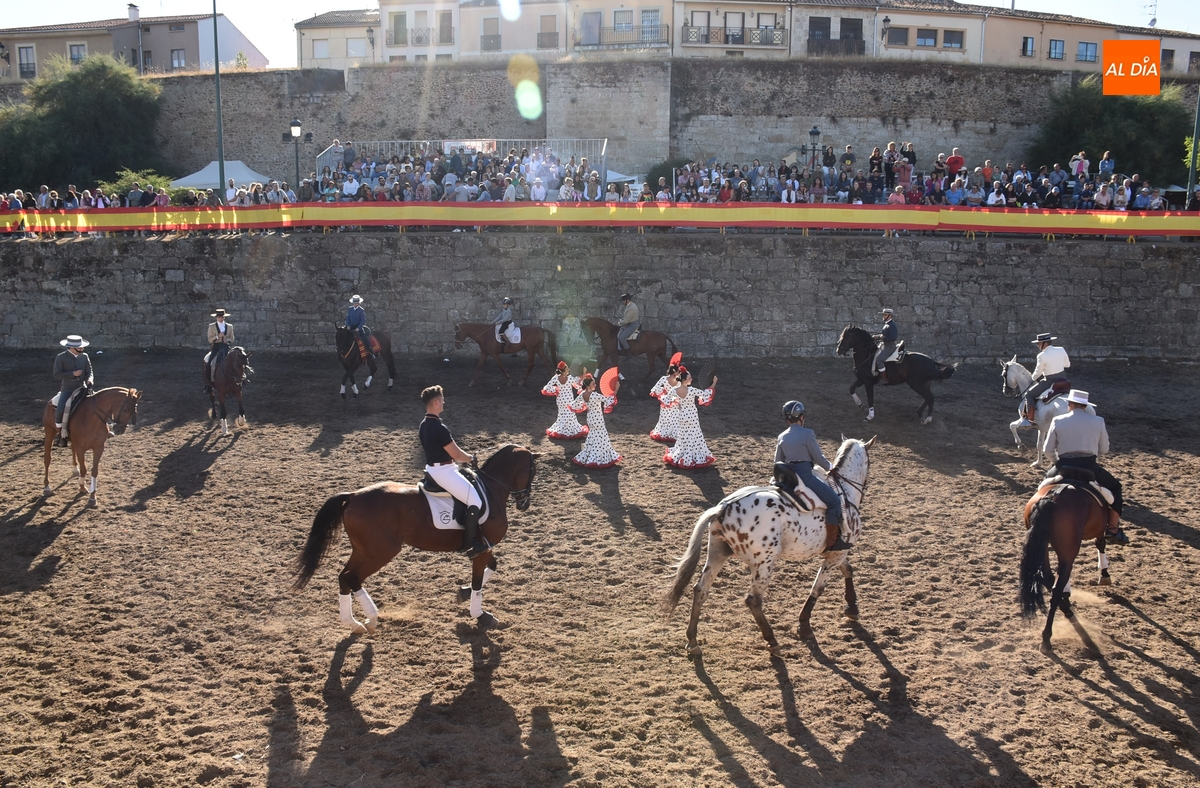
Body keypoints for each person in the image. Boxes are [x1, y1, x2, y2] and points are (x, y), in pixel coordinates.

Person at [1042, 389, 1128, 545]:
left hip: (1064, 465)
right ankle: (1113, 528)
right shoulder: (1098, 421)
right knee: (1115, 487)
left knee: (1042, 488)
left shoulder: (1058, 420)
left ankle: (1039, 522)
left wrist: (1057, 463)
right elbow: (1104, 449)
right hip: (1089, 466)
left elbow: (1047, 450)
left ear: (1070, 404)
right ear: (1085, 406)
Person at [420, 385, 489, 557]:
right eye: (442, 399)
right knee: (475, 501)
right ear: (436, 402)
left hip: (433, 469)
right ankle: (471, 544)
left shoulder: (424, 424)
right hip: (444, 472)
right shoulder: (439, 428)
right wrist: (471, 459)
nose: (444, 402)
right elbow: (457, 455)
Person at [775, 400, 850, 553]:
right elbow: (818, 458)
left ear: (787, 419)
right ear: (801, 417)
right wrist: (831, 468)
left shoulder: (781, 436)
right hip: (805, 476)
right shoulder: (808, 434)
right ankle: (832, 543)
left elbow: (777, 461)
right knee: (834, 502)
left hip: (787, 477)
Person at [662, 368, 716, 469]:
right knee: (695, 434)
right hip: (692, 416)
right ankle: (693, 454)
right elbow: (706, 394)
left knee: (683, 435)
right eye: (689, 378)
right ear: (683, 380)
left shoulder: (674, 390)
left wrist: (676, 401)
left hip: (682, 415)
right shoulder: (691, 390)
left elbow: (666, 399)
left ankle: (682, 453)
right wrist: (713, 384)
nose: (691, 379)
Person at [1019, 332, 1070, 427]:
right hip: (1063, 380)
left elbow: (1038, 373)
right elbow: (1067, 364)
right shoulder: (1061, 349)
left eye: (1038, 343)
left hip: (1050, 381)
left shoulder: (1042, 355)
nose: (1038, 346)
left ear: (1044, 343)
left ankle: (1029, 420)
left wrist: (1033, 378)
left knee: (1029, 394)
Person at [570, 374, 621, 468]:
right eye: (593, 384)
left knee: (593, 435)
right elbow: (609, 400)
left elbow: (574, 405)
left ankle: (590, 454)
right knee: (601, 436)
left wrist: (584, 406)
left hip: (590, 418)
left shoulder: (582, 394)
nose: (595, 385)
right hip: (598, 418)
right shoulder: (595, 395)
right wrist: (615, 390)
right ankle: (598, 457)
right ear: (588, 385)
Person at [53, 334, 94, 447]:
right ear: (71, 347)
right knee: (60, 409)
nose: (82, 348)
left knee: (98, 404)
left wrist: (90, 379)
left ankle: (104, 428)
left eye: (82, 347)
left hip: (83, 387)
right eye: (79, 347)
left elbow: (89, 371)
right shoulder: (61, 357)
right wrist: (72, 374)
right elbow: (57, 374)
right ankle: (61, 433)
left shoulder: (84, 356)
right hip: (68, 389)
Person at [542, 361, 587, 439]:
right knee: (570, 415)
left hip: (560, 400)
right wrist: (584, 373)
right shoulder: (570, 378)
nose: (568, 369)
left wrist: (555, 390)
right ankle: (565, 431)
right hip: (569, 400)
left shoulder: (556, 377)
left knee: (562, 415)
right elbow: (579, 383)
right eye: (567, 369)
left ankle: (560, 430)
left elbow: (547, 387)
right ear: (564, 371)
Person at [648, 362, 682, 443]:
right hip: (674, 402)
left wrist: (663, 394)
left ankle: (665, 433)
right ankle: (673, 434)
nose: (680, 373)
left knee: (665, 419)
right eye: (679, 371)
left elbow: (655, 389)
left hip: (667, 402)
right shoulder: (678, 380)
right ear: (675, 372)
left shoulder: (665, 379)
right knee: (674, 419)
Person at [204, 308, 235, 395]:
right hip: (216, 347)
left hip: (225, 347)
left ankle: (239, 380)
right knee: (209, 363)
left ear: (224, 317)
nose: (221, 318)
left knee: (236, 361)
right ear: (217, 317)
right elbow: (210, 339)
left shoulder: (229, 326)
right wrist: (217, 336)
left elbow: (232, 338)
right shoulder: (211, 326)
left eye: (222, 317)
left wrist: (227, 340)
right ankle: (208, 384)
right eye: (219, 317)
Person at [873, 308, 899, 382]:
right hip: (885, 344)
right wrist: (878, 336)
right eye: (883, 315)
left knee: (879, 359)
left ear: (890, 316)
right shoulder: (887, 324)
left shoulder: (892, 325)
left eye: (885, 315)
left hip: (890, 346)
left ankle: (884, 378)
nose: (883, 316)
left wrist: (883, 338)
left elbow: (893, 337)